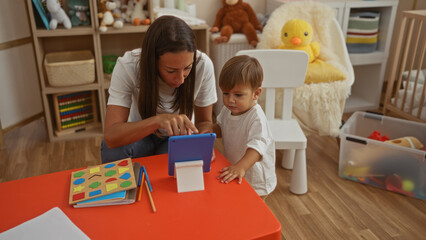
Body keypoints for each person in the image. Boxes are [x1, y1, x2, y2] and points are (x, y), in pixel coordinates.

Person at [101, 15, 217, 163]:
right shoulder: (128, 65)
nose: (181, 79)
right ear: (152, 62)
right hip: (139, 136)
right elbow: (111, 137)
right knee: (113, 150)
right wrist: (157, 121)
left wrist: (202, 139)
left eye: (187, 68)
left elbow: (205, 122)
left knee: (174, 171)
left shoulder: (203, 64)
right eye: (171, 70)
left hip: (176, 139)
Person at [213, 55, 277, 197]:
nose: (230, 100)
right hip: (236, 171)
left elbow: (257, 148)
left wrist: (240, 167)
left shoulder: (256, 118)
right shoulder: (228, 110)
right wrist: (207, 131)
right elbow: (221, 127)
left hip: (256, 180)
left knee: (255, 213)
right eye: (225, 93)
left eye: (238, 95)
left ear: (256, 93)